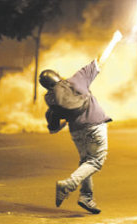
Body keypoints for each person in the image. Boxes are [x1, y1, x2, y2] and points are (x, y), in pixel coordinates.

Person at [39, 58, 111, 214]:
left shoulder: (52, 102)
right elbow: (100, 60)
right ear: (58, 77)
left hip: (77, 131)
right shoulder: (76, 80)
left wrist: (64, 122)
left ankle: (86, 196)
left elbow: (53, 129)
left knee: (86, 161)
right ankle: (68, 185)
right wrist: (114, 40)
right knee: (96, 161)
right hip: (95, 125)